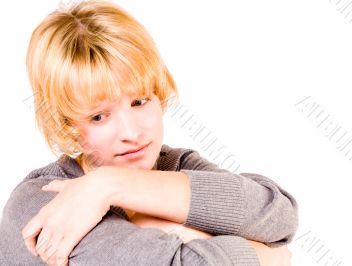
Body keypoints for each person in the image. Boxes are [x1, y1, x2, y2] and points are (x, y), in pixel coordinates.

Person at [0, 1, 298, 265]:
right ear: (67, 124)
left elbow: (280, 215)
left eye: (139, 101)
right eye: (99, 116)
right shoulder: (39, 202)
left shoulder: (173, 165)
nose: (131, 132)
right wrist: (271, 257)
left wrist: (108, 185)